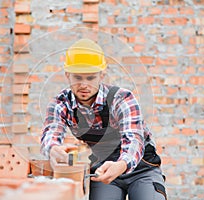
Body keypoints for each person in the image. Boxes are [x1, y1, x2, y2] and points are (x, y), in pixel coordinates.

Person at [40, 38, 167, 200]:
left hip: (142, 170)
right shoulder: (60, 103)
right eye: (77, 78)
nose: (84, 85)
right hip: (103, 171)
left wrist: (121, 165)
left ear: (102, 75)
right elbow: (51, 132)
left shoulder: (122, 99)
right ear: (67, 75)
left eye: (90, 78)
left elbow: (134, 138)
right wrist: (52, 149)